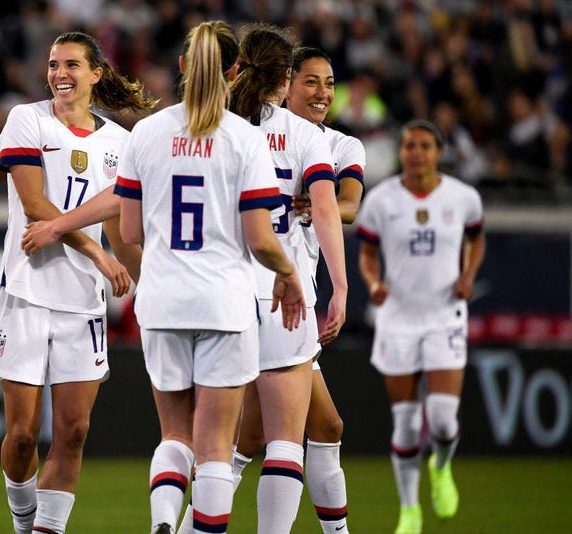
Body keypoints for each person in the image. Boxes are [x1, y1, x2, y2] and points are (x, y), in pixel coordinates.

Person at [114, 20, 308, 534]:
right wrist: (288, 274)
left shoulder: (145, 133)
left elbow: (129, 229)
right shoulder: (245, 139)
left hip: (162, 301)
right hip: (224, 301)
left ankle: (161, 523)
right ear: (235, 71)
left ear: (182, 66)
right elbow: (262, 239)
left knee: (174, 435)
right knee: (216, 447)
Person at [0, 31, 153, 534]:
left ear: (97, 73)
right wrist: (95, 251)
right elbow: (34, 208)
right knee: (23, 436)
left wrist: (154, 289)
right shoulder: (26, 120)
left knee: (74, 430)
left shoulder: (121, 143)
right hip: (26, 294)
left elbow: (122, 237)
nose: (59, 74)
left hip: (82, 305)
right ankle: (22, 518)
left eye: (72, 65)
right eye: (54, 64)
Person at [355, 119, 485, 534]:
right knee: (407, 423)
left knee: (443, 419)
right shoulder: (380, 200)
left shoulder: (464, 198)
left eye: (425, 145)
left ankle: (441, 465)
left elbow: (476, 238)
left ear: (439, 152)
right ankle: (409, 510)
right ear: (401, 152)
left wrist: (468, 274)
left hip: (444, 315)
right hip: (398, 319)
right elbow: (367, 255)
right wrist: (374, 284)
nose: (415, 152)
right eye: (409, 145)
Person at [285, 45, 366, 533]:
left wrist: (320, 202)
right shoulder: (257, 133)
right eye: (311, 81)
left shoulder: (341, 146)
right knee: (254, 439)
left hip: (295, 296)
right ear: (287, 83)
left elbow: (350, 205)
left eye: (330, 83)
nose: (322, 92)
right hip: (264, 295)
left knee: (322, 427)